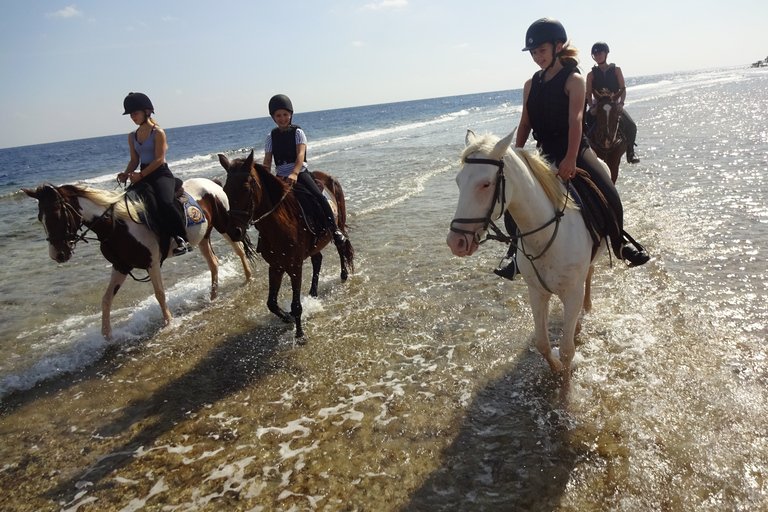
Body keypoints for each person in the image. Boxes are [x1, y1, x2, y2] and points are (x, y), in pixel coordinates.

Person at [494, 18, 649, 280]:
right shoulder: (530, 84)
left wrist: (570, 158)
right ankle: (514, 253)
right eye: (533, 52)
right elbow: (525, 123)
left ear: (558, 46)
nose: (536, 57)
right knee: (513, 198)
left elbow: (576, 120)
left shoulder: (574, 79)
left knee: (610, 193)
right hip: (543, 153)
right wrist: (514, 156)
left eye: (541, 51)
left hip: (575, 150)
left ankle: (620, 243)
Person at [262, 94, 346, 246]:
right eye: (278, 115)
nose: (282, 118)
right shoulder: (270, 137)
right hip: (280, 175)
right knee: (265, 204)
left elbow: (300, 155)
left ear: (291, 115)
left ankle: (334, 229)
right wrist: (264, 174)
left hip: (299, 173)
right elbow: (267, 160)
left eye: (285, 115)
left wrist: (294, 173)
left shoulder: (298, 133)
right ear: (273, 117)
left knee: (318, 197)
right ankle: (264, 239)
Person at [117, 92, 191, 256]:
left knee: (165, 202)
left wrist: (140, 176)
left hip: (160, 174)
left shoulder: (158, 133)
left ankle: (182, 239)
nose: (132, 117)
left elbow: (159, 159)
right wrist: (125, 173)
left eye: (135, 113)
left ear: (147, 111)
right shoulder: (132, 136)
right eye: (130, 114)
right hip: (143, 173)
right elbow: (134, 160)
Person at [585, 41, 640, 164]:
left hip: (614, 105)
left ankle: (630, 153)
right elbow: (588, 93)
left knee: (631, 126)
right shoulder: (591, 74)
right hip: (598, 106)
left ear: (606, 54)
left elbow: (622, 89)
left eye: (600, 53)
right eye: (595, 54)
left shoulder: (616, 70)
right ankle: (582, 153)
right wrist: (591, 107)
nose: (598, 56)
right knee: (584, 126)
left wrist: (621, 104)